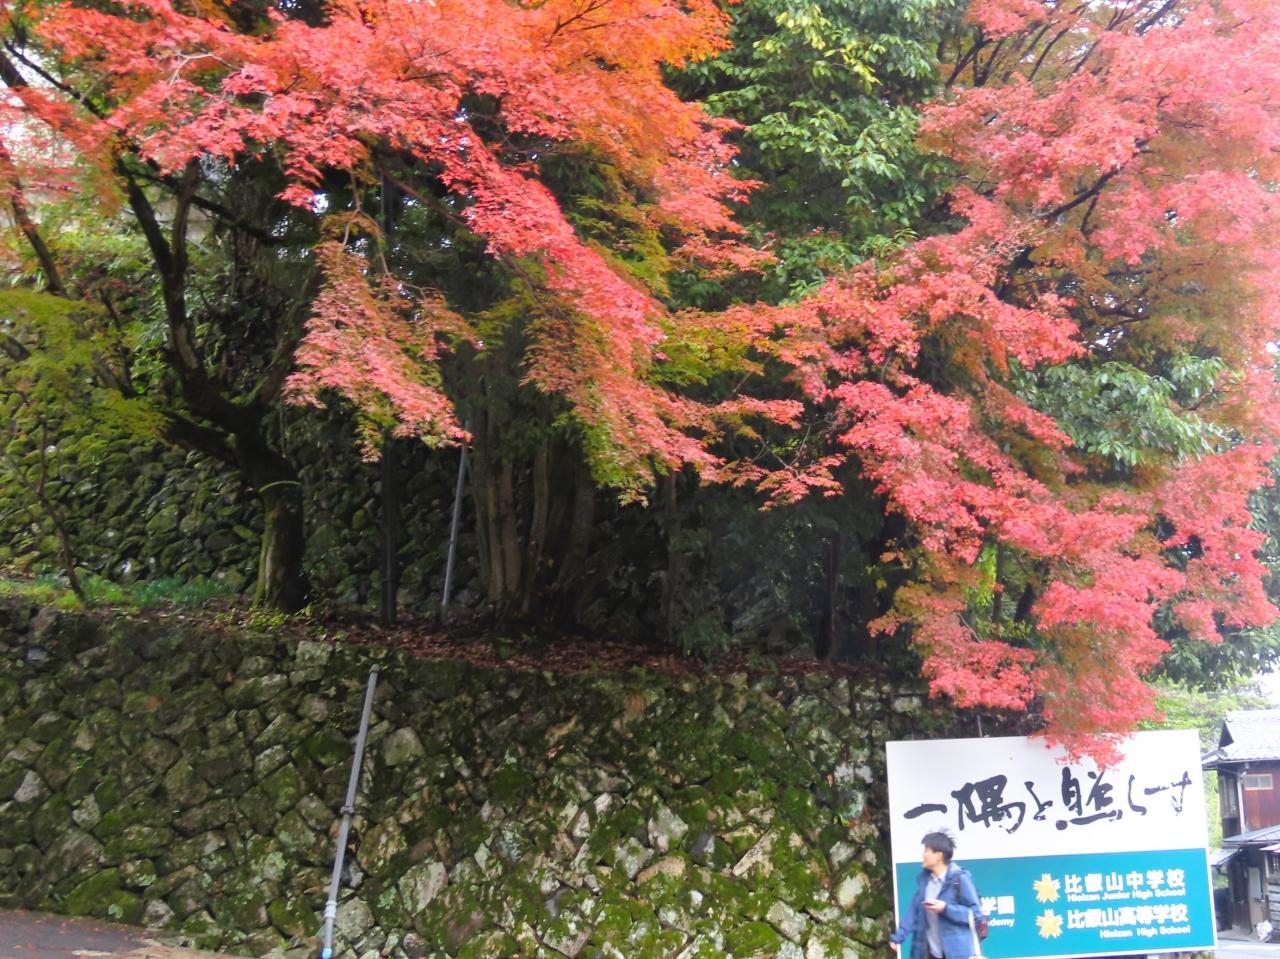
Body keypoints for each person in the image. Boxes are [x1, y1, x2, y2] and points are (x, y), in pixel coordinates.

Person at [890, 831, 984, 959]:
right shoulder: (925, 882)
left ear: (938, 855)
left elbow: (975, 914)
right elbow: (912, 914)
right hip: (932, 954)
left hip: (958, 954)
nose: (923, 855)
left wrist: (945, 909)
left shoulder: (959, 879)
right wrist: (898, 938)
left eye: (926, 851)